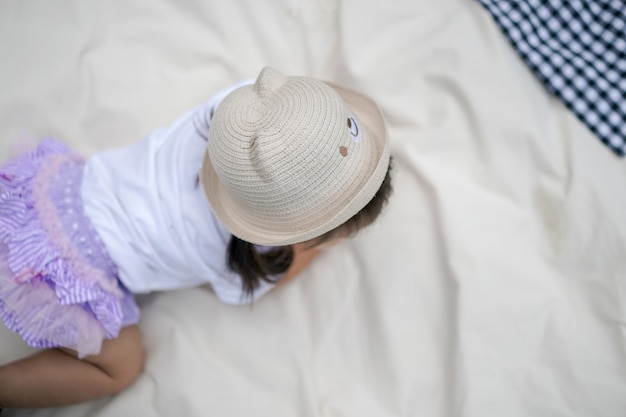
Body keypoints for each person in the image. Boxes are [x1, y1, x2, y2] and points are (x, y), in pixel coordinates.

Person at [0, 67, 392, 409]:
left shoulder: (241, 108)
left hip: (49, 196)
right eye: (326, 236)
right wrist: (317, 250)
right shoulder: (244, 258)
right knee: (121, 368)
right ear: (291, 237)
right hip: (65, 276)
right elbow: (266, 282)